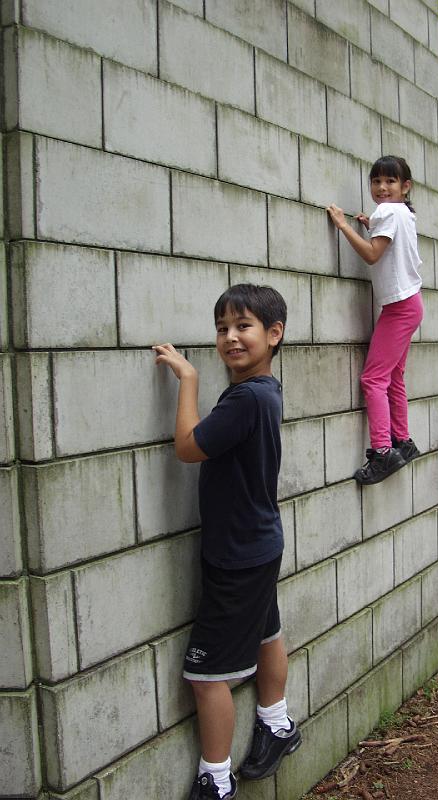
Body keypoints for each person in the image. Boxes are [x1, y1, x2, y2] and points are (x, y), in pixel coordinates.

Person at [153, 284, 301, 800]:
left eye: (244, 326)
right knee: (266, 634)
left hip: (237, 554)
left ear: (274, 333)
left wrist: (188, 379)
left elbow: (189, 449)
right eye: (222, 328)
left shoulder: (245, 398)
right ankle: (277, 723)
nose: (231, 337)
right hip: (260, 540)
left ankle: (216, 780)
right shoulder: (267, 389)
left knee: (205, 674)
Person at [326, 155, 424, 485]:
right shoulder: (404, 214)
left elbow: (372, 254)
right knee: (394, 376)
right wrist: (370, 225)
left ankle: (382, 452)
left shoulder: (388, 211)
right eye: (376, 181)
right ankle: (403, 442)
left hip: (399, 308)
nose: (382, 188)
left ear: (405, 186)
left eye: (390, 182)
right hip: (411, 304)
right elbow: (389, 241)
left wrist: (343, 226)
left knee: (373, 379)